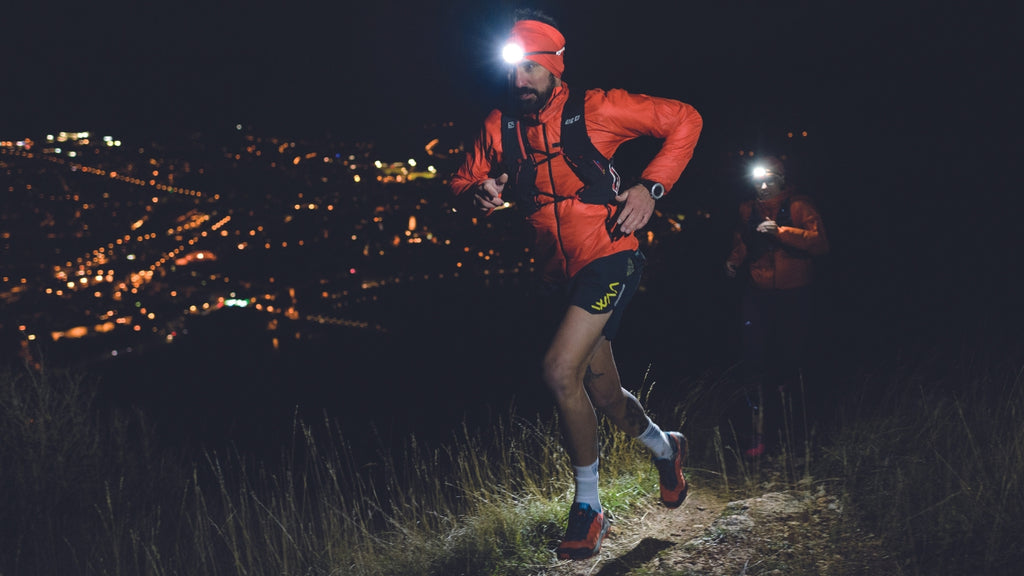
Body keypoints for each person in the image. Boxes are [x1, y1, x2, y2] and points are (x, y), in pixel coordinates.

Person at [450, 9, 703, 560]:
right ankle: (667, 449)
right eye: (510, 73)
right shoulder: (501, 125)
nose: (518, 83)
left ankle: (589, 506)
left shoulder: (598, 108)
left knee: (558, 371)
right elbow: (461, 176)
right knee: (605, 392)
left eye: (529, 72)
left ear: (553, 71)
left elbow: (686, 118)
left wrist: (650, 188)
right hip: (553, 273)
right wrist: (477, 190)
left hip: (611, 254)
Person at [724, 155, 830, 458]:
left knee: (790, 360)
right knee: (756, 360)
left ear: (782, 181)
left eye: (769, 180)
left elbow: (821, 242)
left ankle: (794, 431)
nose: (763, 186)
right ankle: (759, 434)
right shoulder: (748, 209)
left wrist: (782, 232)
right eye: (758, 180)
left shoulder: (798, 205)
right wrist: (733, 260)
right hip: (758, 294)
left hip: (794, 294)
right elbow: (743, 241)